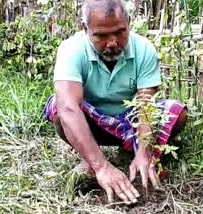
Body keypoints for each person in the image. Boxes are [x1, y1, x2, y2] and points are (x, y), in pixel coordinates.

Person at [43, 0, 187, 204]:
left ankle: (129, 154)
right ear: (85, 28)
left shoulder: (144, 49)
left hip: (130, 121)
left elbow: (146, 106)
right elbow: (68, 107)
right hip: (90, 120)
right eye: (101, 35)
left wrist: (145, 154)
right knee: (60, 109)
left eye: (119, 32)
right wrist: (101, 166)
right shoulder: (71, 50)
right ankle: (89, 158)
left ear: (128, 22)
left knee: (176, 112)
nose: (112, 42)